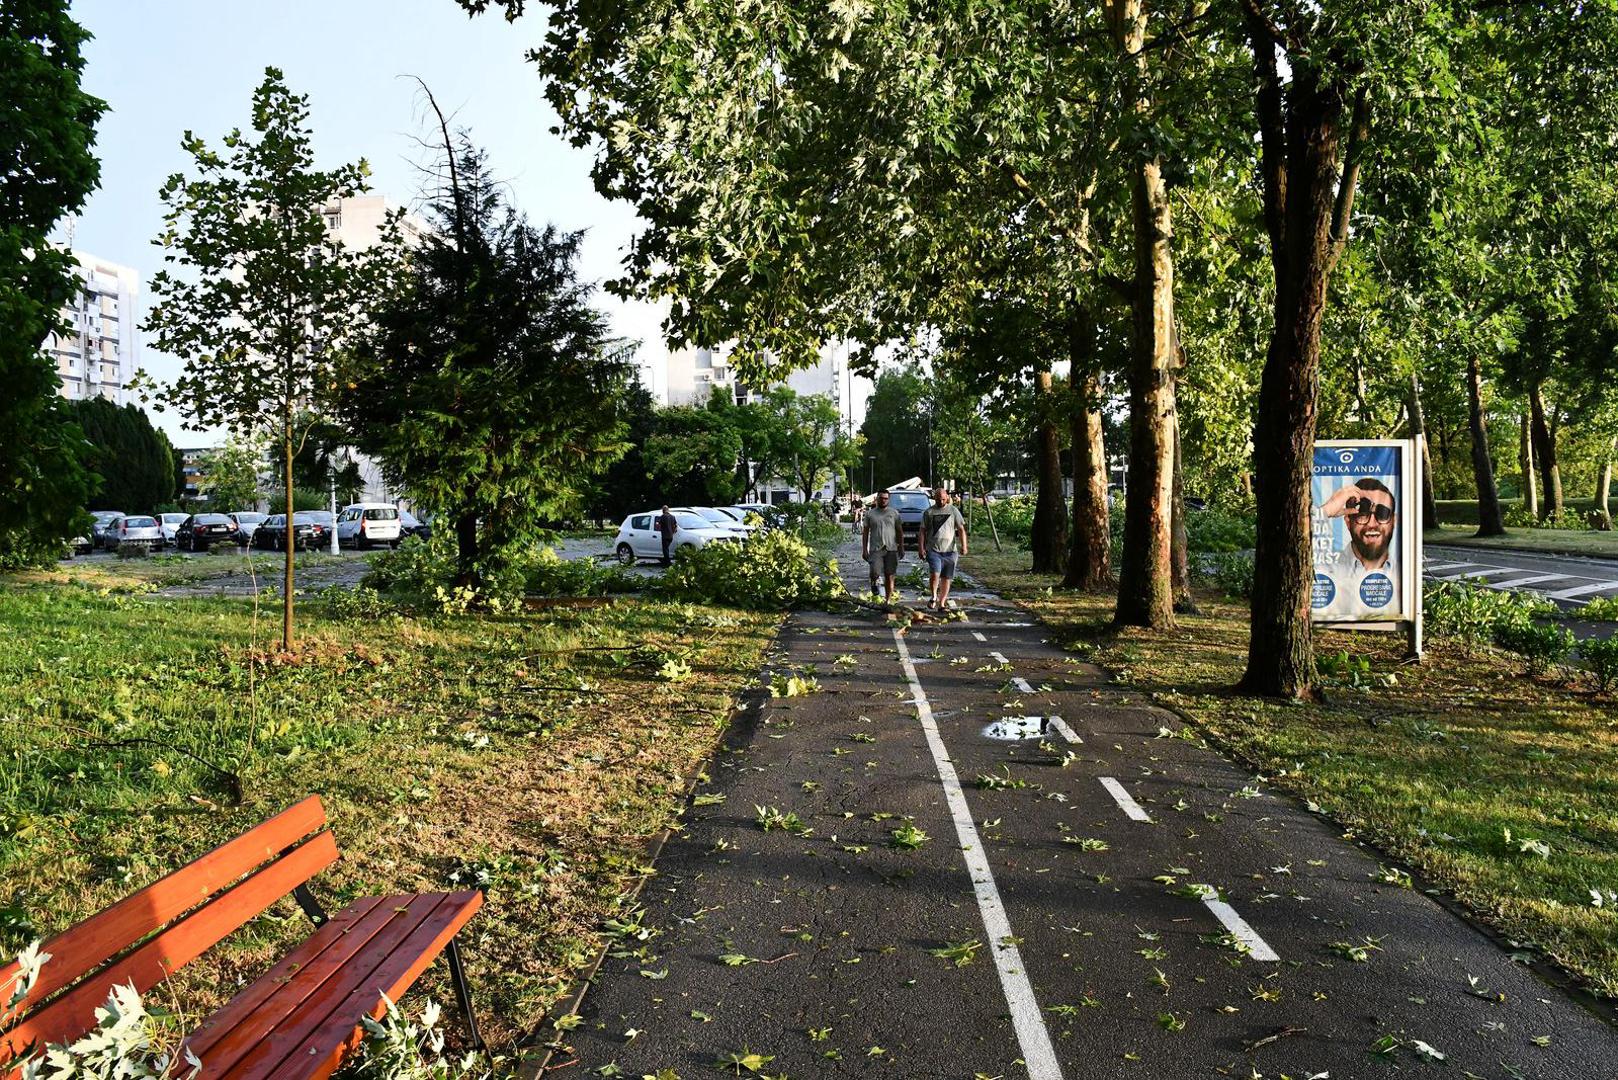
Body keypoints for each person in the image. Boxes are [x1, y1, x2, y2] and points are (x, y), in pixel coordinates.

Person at [1315, 477, 1400, 618]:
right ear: (1348, 521)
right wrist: (1326, 511)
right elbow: (1291, 538)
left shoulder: (1404, 570)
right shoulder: (1327, 569)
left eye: (1383, 513)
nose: (1372, 523)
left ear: (1393, 521)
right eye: (1362, 513)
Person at [918, 486, 968, 609]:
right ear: (934, 498)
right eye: (938, 499)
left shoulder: (953, 510)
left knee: (947, 577)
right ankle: (934, 595)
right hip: (933, 549)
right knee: (935, 573)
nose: (941, 501)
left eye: (943, 499)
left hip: (950, 551)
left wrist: (964, 546)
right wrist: (921, 548)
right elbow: (922, 531)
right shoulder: (929, 512)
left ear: (947, 498)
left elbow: (961, 529)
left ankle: (942, 602)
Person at [861, 489, 903, 603]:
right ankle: (874, 583)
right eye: (881, 498)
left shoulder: (894, 513)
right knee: (874, 572)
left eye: (886, 498)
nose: (883, 500)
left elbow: (899, 531)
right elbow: (865, 533)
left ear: (888, 500)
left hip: (891, 549)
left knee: (890, 575)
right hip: (876, 549)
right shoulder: (870, 514)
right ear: (877, 499)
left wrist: (901, 547)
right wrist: (864, 549)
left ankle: (887, 600)